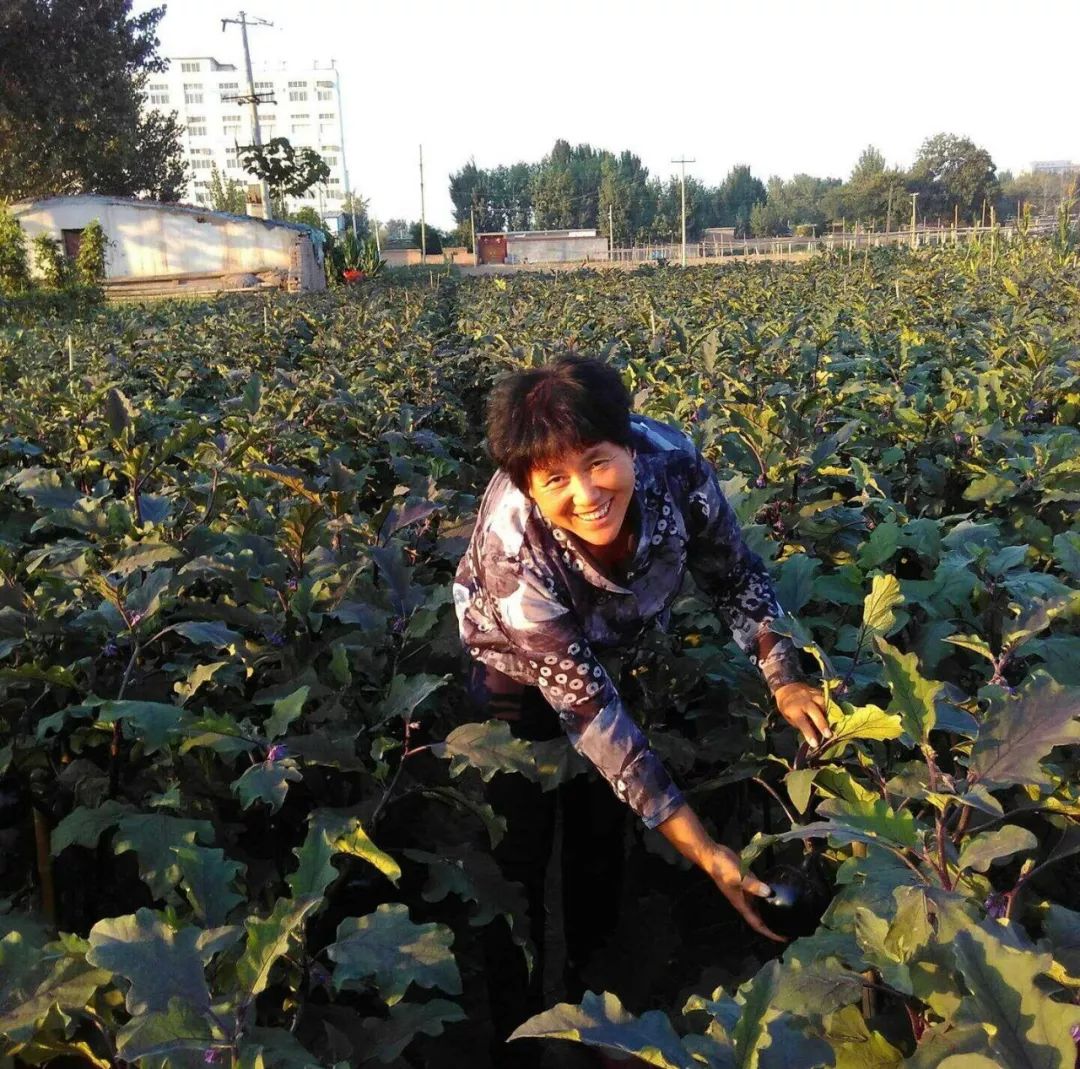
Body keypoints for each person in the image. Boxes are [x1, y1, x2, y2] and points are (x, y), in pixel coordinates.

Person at [452, 355, 829, 1064]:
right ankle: (517, 1027)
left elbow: (735, 574)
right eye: (554, 479)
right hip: (513, 667)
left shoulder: (676, 467)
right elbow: (593, 715)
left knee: (603, 828)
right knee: (517, 851)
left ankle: (593, 1005)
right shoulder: (513, 541)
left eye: (598, 463)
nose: (585, 493)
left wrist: (784, 676)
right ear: (528, 483)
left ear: (628, 443)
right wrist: (709, 854)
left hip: (610, 648)